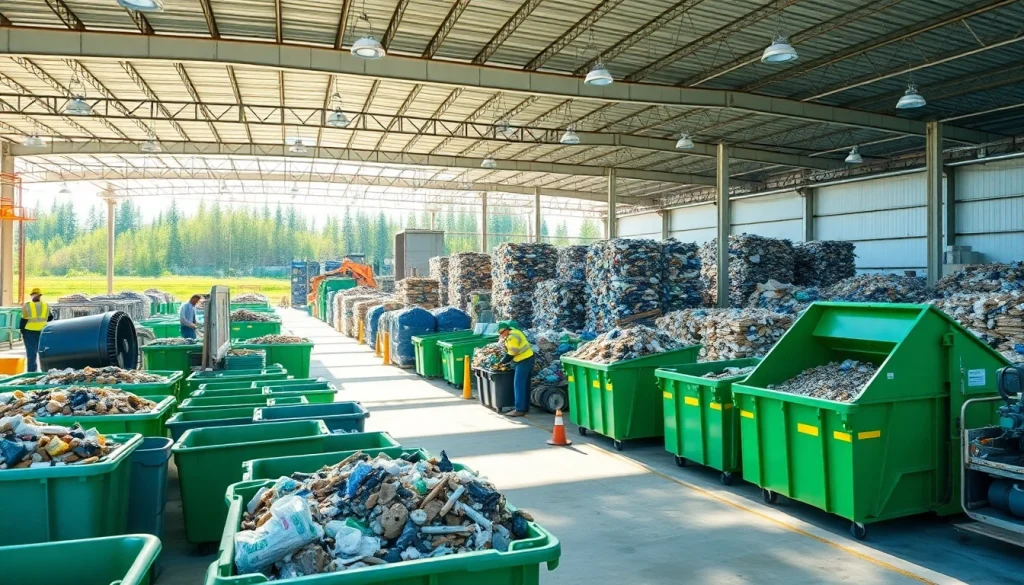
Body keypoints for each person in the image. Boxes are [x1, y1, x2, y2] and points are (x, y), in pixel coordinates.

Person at [497, 320, 535, 418]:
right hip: (528, 358)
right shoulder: (514, 332)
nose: (501, 335)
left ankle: (519, 409)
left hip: (524, 360)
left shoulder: (512, 337)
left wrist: (502, 362)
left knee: (519, 384)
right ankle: (524, 407)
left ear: (506, 330)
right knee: (525, 384)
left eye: (502, 333)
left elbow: (512, 352)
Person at [20, 287, 53, 373]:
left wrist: (22, 330)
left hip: (29, 331)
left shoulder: (27, 305)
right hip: (43, 331)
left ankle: (32, 372)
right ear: (40, 295)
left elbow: (24, 319)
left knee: (31, 353)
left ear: (32, 295)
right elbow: (50, 317)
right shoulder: (46, 305)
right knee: (43, 352)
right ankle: (45, 371)